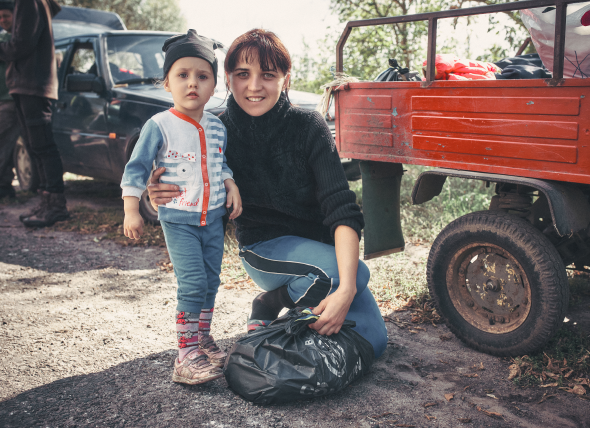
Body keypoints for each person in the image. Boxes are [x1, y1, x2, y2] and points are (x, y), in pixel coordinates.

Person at [148, 29, 388, 360]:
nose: (255, 86)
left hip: (319, 251)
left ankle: (299, 303)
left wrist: (346, 292)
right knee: (353, 274)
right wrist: (156, 191)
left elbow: (342, 208)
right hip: (263, 247)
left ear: (285, 79)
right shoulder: (214, 132)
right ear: (228, 80)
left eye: (268, 75)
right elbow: (176, 174)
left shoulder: (309, 125)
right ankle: (272, 302)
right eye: (243, 74)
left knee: (375, 342)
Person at [121, 30, 242, 385]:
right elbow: (137, 168)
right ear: (167, 84)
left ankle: (202, 339)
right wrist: (131, 209)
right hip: (180, 219)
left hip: (213, 220)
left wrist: (231, 182)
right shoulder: (159, 125)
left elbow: (220, 164)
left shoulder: (217, 127)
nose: (193, 83)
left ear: (214, 85)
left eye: (203, 76)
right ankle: (185, 355)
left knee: (212, 282)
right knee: (192, 283)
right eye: (183, 75)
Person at [0, 0, 68, 226]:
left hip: (32, 84)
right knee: (35, 146)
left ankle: (56, 206)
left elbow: (22, 44)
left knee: (43, 146)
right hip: (26, 84)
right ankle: (46, 202)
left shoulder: (29, 1)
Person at [0, 0, 19, 200]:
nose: (3, 20)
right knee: (6, 144)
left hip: (10, 99)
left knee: (3, 142)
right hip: (3, 99)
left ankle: (5, 186)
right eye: (0, 17)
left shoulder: (15, 41)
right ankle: (5, 187)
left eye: (6, 15)